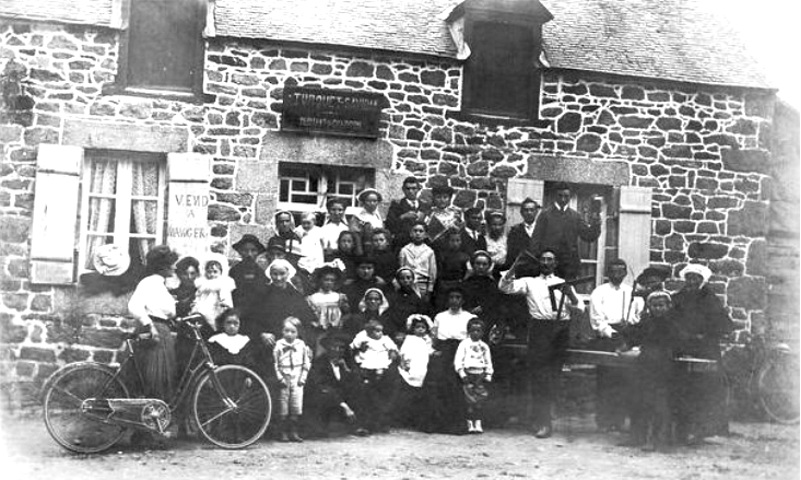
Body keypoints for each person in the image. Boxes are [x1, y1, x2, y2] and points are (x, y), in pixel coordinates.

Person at [499, 249, 585, 438]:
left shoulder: (563, 283)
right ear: (539, 263)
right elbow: (505, 287)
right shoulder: (530, 282)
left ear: (555, 263)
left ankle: (543, 419)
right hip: (540, 330)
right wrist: (515, 266)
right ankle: (542, 422)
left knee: (553, 376)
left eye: (550, 260)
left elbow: (580, 308)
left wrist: (570, 294)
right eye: (543, 260)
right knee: (539, 377)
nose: (546, 263)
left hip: (560, 330)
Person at [671, 263, 733, 444]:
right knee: (683, 387)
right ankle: (682, 427)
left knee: (704, 388)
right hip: (683, 347)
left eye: (695, 278)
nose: (691, 281)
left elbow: (724, 325)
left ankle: (703, 429)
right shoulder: (678, 298)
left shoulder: (710, 299)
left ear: (702, 280)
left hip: (705, 348)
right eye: (688, 277)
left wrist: (705, 334)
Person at [589, 259, 644, 432]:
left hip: (627, 337)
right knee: (606, 381)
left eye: (621, 271)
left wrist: (630, 326)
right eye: (613, 271)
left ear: (625, 273)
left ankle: (619, 420)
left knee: (624, 380)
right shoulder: (599, 292)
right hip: (607, 338)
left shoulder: (633, 293)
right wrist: (612, 334)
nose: (617, 274)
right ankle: (604, 420)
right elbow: (597, 320)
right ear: (607, 273)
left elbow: (638, 316)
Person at [620, 291, 679, 452]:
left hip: (663, 367)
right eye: (654, 306)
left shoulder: (672, 323)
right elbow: (636, 335)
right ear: (649, 307)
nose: (658, 309)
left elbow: (679, 341)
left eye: (661, 305)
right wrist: (626, 341)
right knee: (638, 400)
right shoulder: (646, 321)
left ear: (668, 306)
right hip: (644, 365)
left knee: (658, 404)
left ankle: (656, 439)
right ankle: (637, 436)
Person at [127, 245, 180, 401]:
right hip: (154, 332)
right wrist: (150, 326)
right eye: (172, 263)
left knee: (161, 376)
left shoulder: (160, 284)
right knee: (153, 376)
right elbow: (134, 306)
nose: (175, 267)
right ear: (162, 266)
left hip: (162, 331)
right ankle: (149, 415)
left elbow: (167, 311)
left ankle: (154, 415)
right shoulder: (149, 282)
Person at [425, 286, 476, 434]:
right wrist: (434, 351)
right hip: (443, 350)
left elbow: (471, 340)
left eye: (458, 297)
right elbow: (433, 338)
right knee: (437, 383)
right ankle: (436, 424)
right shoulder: (440, 316)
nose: (454, 300)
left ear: (463, 300)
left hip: (460, 350)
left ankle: (456, 425)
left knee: (455, 385)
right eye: (451, 297)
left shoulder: (469, 317)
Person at [530, 183, 601, 279]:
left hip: (569, 267)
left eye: (566, 196)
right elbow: (535, 240)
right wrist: (540, 263)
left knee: (566, 292)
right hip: (549, 267)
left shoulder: (575, 216)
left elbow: (589, 236)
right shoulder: (545, 215)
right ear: (555, 196)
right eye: (560, 196)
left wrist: (596, 222)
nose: (563, 199)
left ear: (570, 197)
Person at [305, 332, 369, 437]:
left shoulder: (347, 362)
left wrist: (346, 369)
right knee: (324, 394)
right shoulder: (320, 362)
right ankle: (322, 428)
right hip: (329, 397)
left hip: (343, 395)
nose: (337, 350)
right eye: (334, 347)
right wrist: (344, 406)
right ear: (328, 348)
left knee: (360, 389)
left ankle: (356, 426)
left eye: (341, 348)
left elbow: (356, 381)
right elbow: (320, 385)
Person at [349, 319, 399, 433]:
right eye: (376, 331)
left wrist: (392, 352)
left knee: (381, 395)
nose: (380, 333)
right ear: (369, 332)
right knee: (368, 393)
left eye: (381, 331)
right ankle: (367, 423)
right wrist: (360, 347)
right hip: (367, 363)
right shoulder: (363, 337)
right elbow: (353, 346)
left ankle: (381, 422)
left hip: (381, 363)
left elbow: (393, 348)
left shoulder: (385, 339)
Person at [273, 316, 312, 442]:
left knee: (296, 406)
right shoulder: (278, 345)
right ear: (282, 331)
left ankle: (294, 432)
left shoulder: (301, 345)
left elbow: (306, 363)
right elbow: (275, 364)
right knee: (283, 405)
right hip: (284, 376)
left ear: (298, 332)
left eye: (293, 331)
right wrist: (280, 378)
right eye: (286, 331)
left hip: (297, 376)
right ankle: (283, 432)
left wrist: (303, 378)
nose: (289, 334)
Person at [395, 314, 434, 430]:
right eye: (417, 327)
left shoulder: (427, 339)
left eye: (423, 327)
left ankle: (418, 419)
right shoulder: (409, 339)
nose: (420, 330)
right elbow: (404, 352)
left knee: (420, 392)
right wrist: (404, 363)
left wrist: (434, 352)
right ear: (413, 329)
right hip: (411, 364)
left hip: (422, 366)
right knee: (407, 392)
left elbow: (429, 350)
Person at [454, 318, 494, 434]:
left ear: (482, 332)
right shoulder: (464, 344)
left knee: (480, 400)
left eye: (478, 331)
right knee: (469, 400)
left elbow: (488, 361)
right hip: (468, 374)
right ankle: (470, 423)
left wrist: (488, 374)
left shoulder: (484, 346)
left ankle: (478, 422)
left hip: (480, 375)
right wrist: (462, 373)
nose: (475, 333)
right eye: (473, 330)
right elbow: (458, 359)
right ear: (468, 331)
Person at [229, 234, 270, 332]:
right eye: (245, 250)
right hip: (237, 319)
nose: (249, 254)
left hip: (256, 319)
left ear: (258, 253)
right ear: (240, 252)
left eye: (253, 250)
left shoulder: (262, 274)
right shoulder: (234, 272)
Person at [383, 267, 431, 343]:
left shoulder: (418, 298)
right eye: (402, 278)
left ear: (413, 279)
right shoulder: (392, 297)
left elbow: (421, 317)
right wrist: (395, 332)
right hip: (396, 333)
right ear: (398, 280)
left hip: (413, 333)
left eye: (408, 278)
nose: (405, 280)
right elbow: (389, 317)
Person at [193, 254, 235, 331]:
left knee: (214, 326)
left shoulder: (222, 285)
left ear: (221, 272)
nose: (212, 275)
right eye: (209, 272)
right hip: (202, 310)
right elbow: (198, 296)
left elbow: (225, 298)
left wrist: (224, 304)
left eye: (215, 272)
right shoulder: (203, 285)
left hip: (215, 310)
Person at [385, 176, 430, 251]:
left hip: (421, 245)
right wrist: (403, 216)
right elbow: (389, 225)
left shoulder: (424, 205)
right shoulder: (396, 205)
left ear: (419, 189)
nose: (411, 191)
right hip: (402, 244)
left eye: (414, 188)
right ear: (403, 190)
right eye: (408, 189)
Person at [398, 221, 437, 304]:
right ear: (411, 233)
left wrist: (429, 290)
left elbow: (432, 272)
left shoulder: (429, 252)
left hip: (422, 284)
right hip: (408, 284)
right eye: (415, 231)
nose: (418, 233)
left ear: (426, 234)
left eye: (421, 231)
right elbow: (401, 269)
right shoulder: (405, 250)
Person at [434, 229, 470, 311]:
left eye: (457, 240)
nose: (455, 243)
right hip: (444, 285)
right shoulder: (442, 255)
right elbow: (439, 271)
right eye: (452, 240)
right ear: (447, 241)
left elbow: (466, 273)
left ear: (461, 242)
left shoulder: (465, 257)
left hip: (458, 284)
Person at [505, 198, 540, 270]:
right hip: (520, 269)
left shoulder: (542, 229)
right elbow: (511, 255)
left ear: (536, 212)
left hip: (538, 269)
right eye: (526, 210)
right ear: (521, 212)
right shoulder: (515, 230)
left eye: (532, 210)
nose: (529, 212)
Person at [349, 188, 384, 254]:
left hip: (378, 248)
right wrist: (360, 251)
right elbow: (356, 236)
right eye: (368, 201)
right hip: (364, 249)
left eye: (375, 201)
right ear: (363, 202)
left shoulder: (378, 216)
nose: (372, 203)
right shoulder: (358, 217)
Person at [295, 211, 325, 275]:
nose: (306, 225)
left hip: (315, 254)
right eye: (303, 223)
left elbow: (322, 243)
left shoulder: (318, 230)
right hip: (303, 254)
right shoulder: (298, 230)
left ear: (314, 222)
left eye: (308, 223)